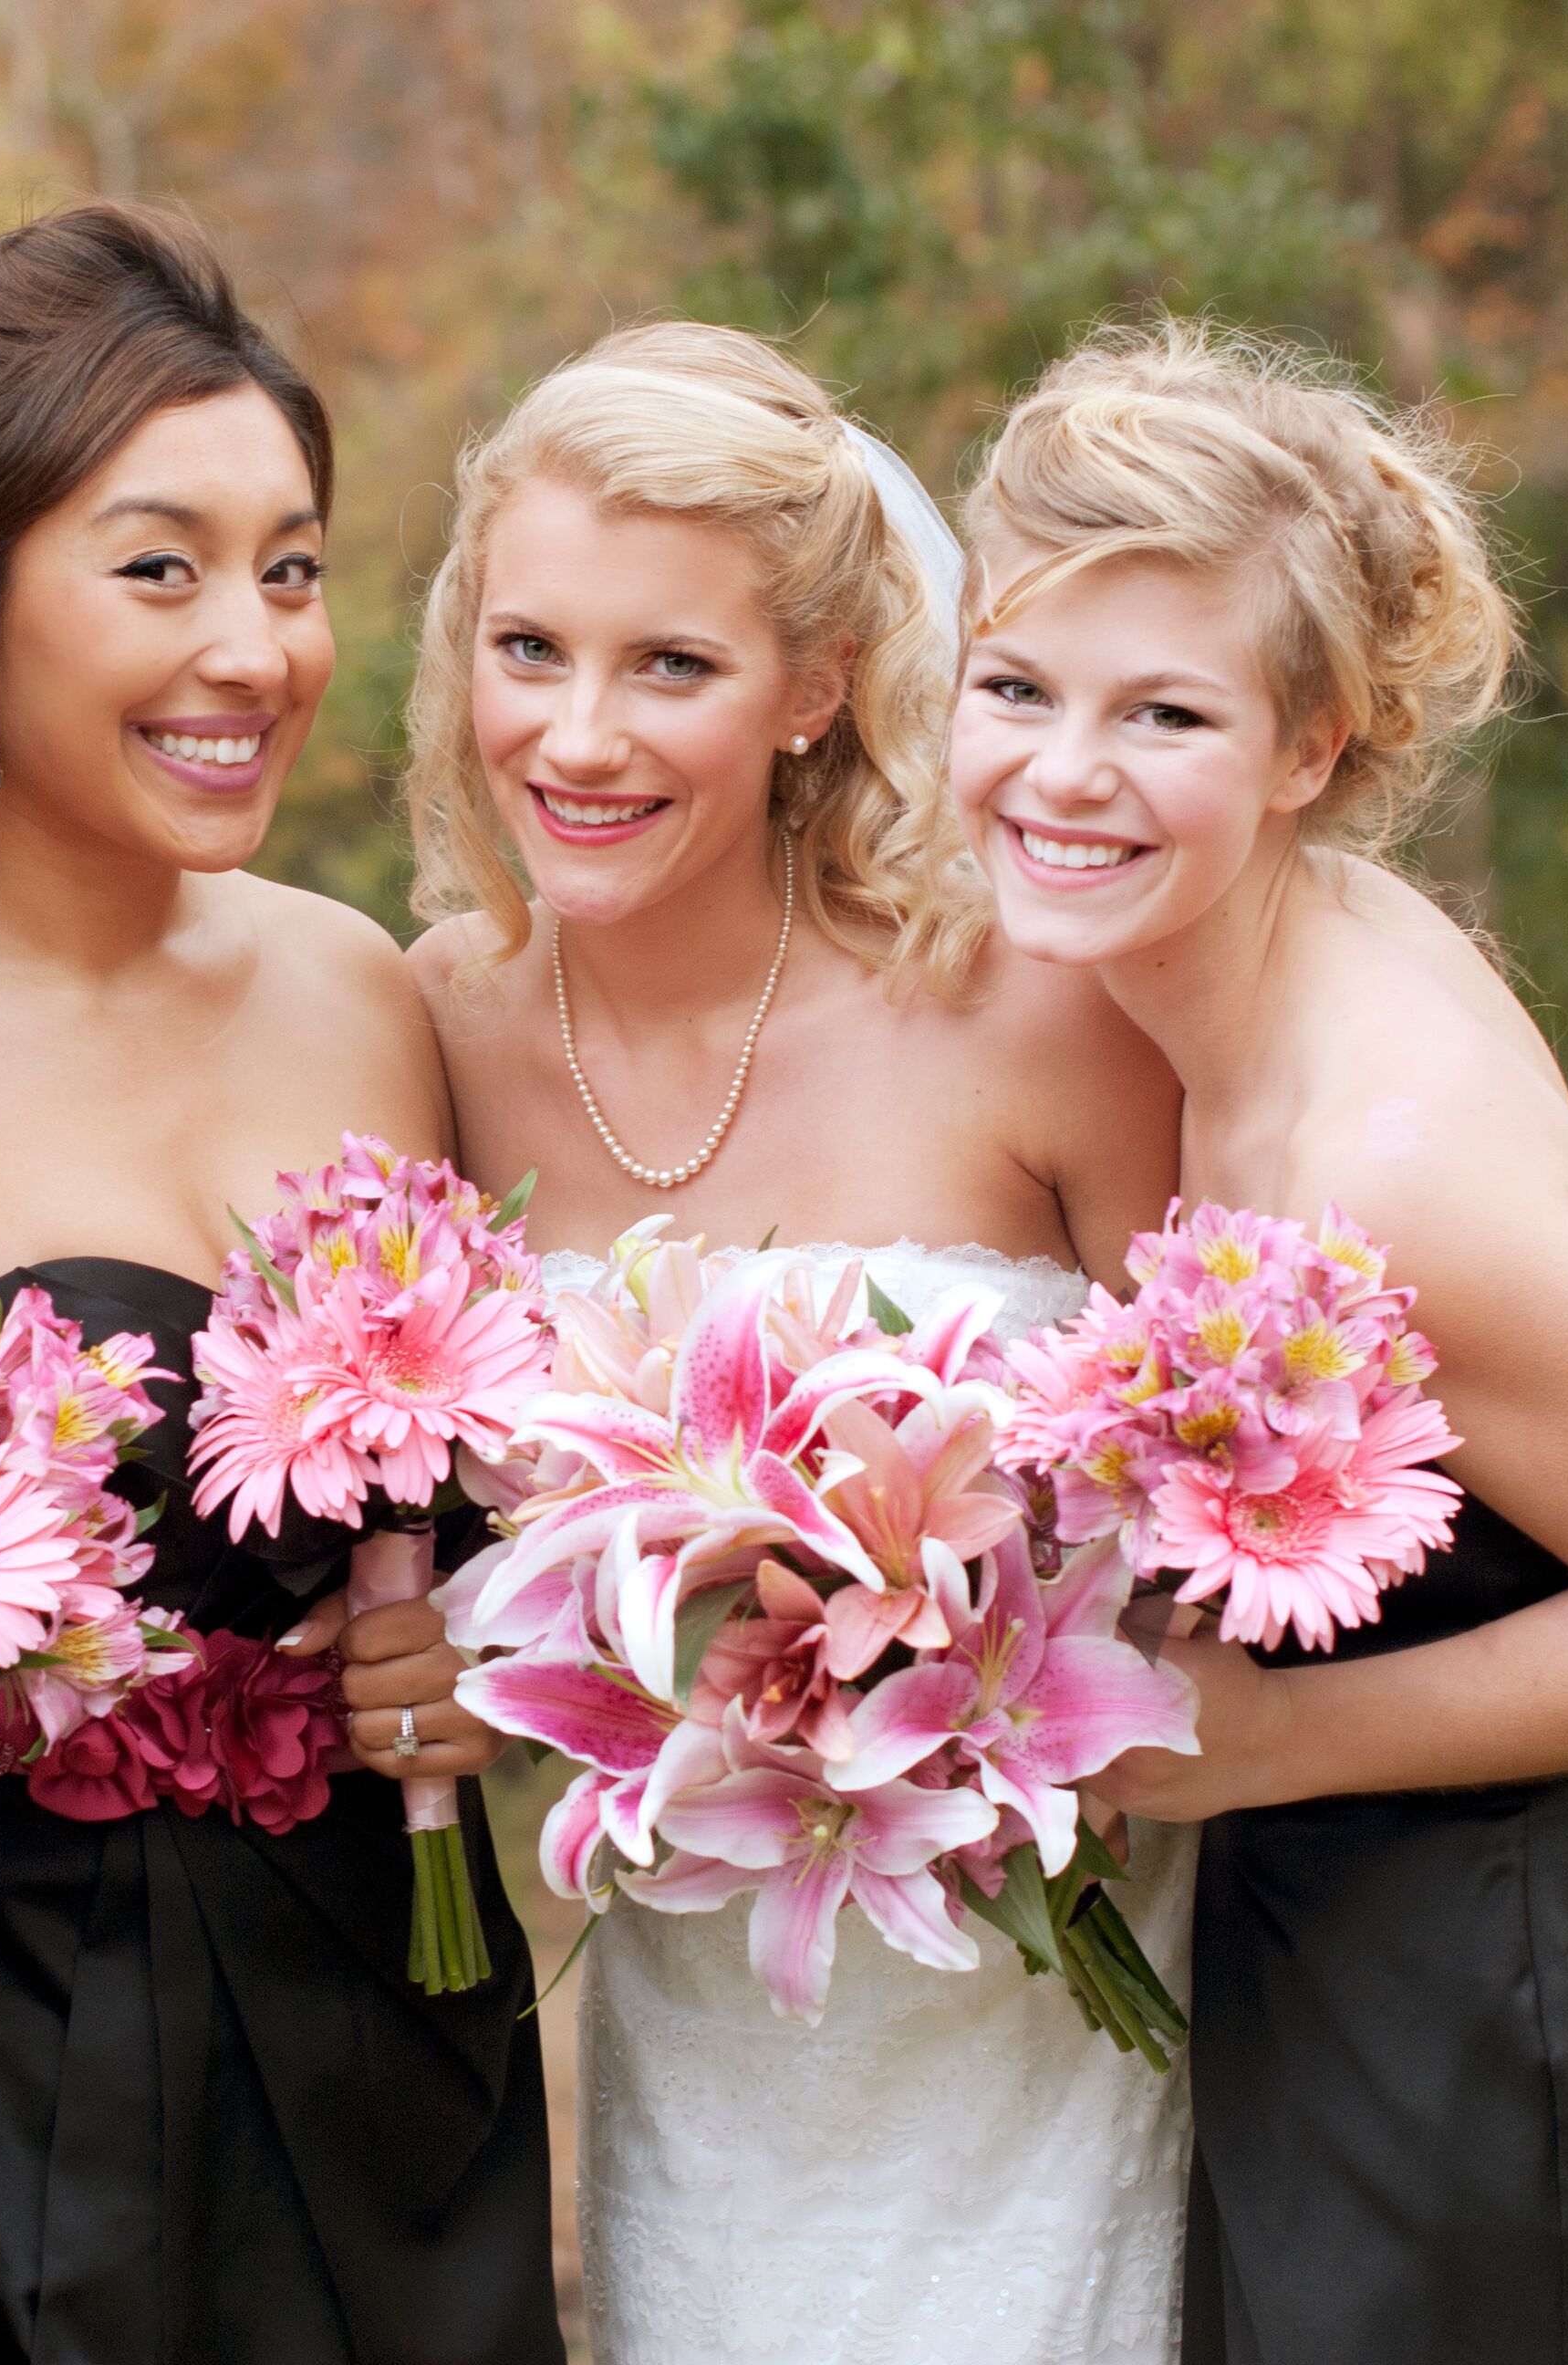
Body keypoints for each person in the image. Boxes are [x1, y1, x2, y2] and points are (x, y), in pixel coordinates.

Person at [0, 200, 563, 2365]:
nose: (252, 647)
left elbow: (490, 1509)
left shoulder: (366, 993)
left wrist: (475, 1664)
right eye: (159, 568)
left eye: (293, 565)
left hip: (392, 1995)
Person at [952, 318, 1568, 2363]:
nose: (1060, 773)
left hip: (1505, 2067)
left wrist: (1255, 1747)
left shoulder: (1389, 1170)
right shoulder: (1250, 961)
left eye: (1160, 710)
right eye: (1014, 688)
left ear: (1308, 746)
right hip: (1330, 1999)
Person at [400, 320, 1195, 2363]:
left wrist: (965, 1653)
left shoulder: (1034, 1013)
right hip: (711, 2049)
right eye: (528, 650)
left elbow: (1231, 1506)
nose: (576, 736)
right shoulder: (434, 1032)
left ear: (817, 687)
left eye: (670, 666)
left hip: (1051, 2008)